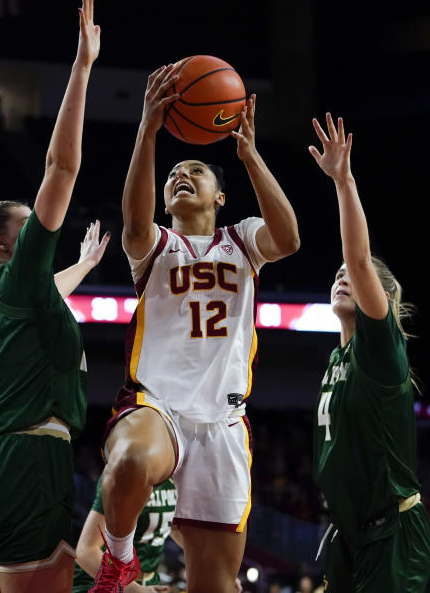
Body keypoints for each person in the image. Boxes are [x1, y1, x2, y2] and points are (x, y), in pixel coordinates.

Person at [91, 68, 300, 593]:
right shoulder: (154, 246)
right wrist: (148, 129)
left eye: (196, 171)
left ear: (220, 197)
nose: (181, 175)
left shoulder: (243, 239)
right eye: (173, 174)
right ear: (164, 200)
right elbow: (134, 224)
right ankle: (119, 559)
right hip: (158, 404)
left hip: (224, 423)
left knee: (215, 584)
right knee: (132, 459)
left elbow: (290, 238)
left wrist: (249, 153)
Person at [0, 0, 104, 593]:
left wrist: (83, 267)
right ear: (7, 245)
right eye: (28, 228)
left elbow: (49, 291)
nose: (41, 232)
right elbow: (61, 168)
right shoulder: (17, 276)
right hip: (25, 463)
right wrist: (82, 68)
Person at [307, 113, 430, 592]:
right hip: (351, 533)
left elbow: (359, 258)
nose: (342, 276)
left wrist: (344, 181)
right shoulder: (336, 362)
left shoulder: (380, 351)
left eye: (352, 277)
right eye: (335, 273)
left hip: (393, 532)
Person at [73, 469, 179, 593]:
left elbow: (172, 528)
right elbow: (85, 551)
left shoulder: (176, 473)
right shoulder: (125, 471)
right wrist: (134, 589)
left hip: (148, 582)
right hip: (101, 583)